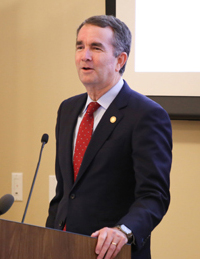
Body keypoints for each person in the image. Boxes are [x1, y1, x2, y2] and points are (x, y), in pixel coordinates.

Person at [46, 15, 172, 259]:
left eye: (96, 47)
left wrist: (123, 231)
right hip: (62, 248)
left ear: (120, 60)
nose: (85, 55)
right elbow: (64, 192)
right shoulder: (68, 110)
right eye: (80, 46)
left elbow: (154, 196)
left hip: (112, 252)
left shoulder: (146, 115)